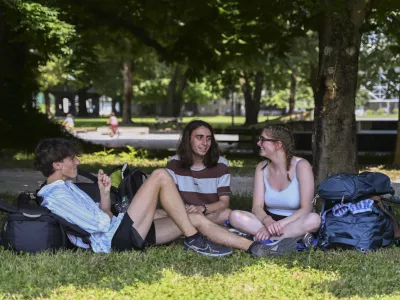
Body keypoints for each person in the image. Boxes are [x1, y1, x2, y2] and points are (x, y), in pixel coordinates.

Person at [34, 138, 297, 257]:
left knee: (191, 218)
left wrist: (104, 194)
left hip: (120, 230)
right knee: (160, 175)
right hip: (116, 240)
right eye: (71, 159)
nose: (77, 161)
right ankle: (194, 240)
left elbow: (105, 216)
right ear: (57, 165)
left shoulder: (66, 188)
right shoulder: (55, 195)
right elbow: (102, 226)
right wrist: (122, 214)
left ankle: (256, 247)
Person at [229, 125, 321, 248]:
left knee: (314, 219)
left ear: (278, 145)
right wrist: (268, 222)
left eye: (263, 139)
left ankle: (266, 239)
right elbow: (256, 207)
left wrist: (277, 226)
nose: (258, 143)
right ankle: (281, 240)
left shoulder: (302, 166)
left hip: (294, 221)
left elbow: (306, 209)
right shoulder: (261, 167)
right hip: (268, 221)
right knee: (235, 216)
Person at [161, 120, 231, 225]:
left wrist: (202, 208)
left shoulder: (221, 164)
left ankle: (186, 228)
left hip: (208, 214)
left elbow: (224, 202)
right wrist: (186, 211)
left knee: (227, 213)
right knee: (154, 214)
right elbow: (170, 199)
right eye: (199, 137)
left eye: (208, 138)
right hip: (182, 214)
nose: (205, 143)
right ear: (188, 139)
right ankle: (199, 227)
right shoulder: (174, 163)